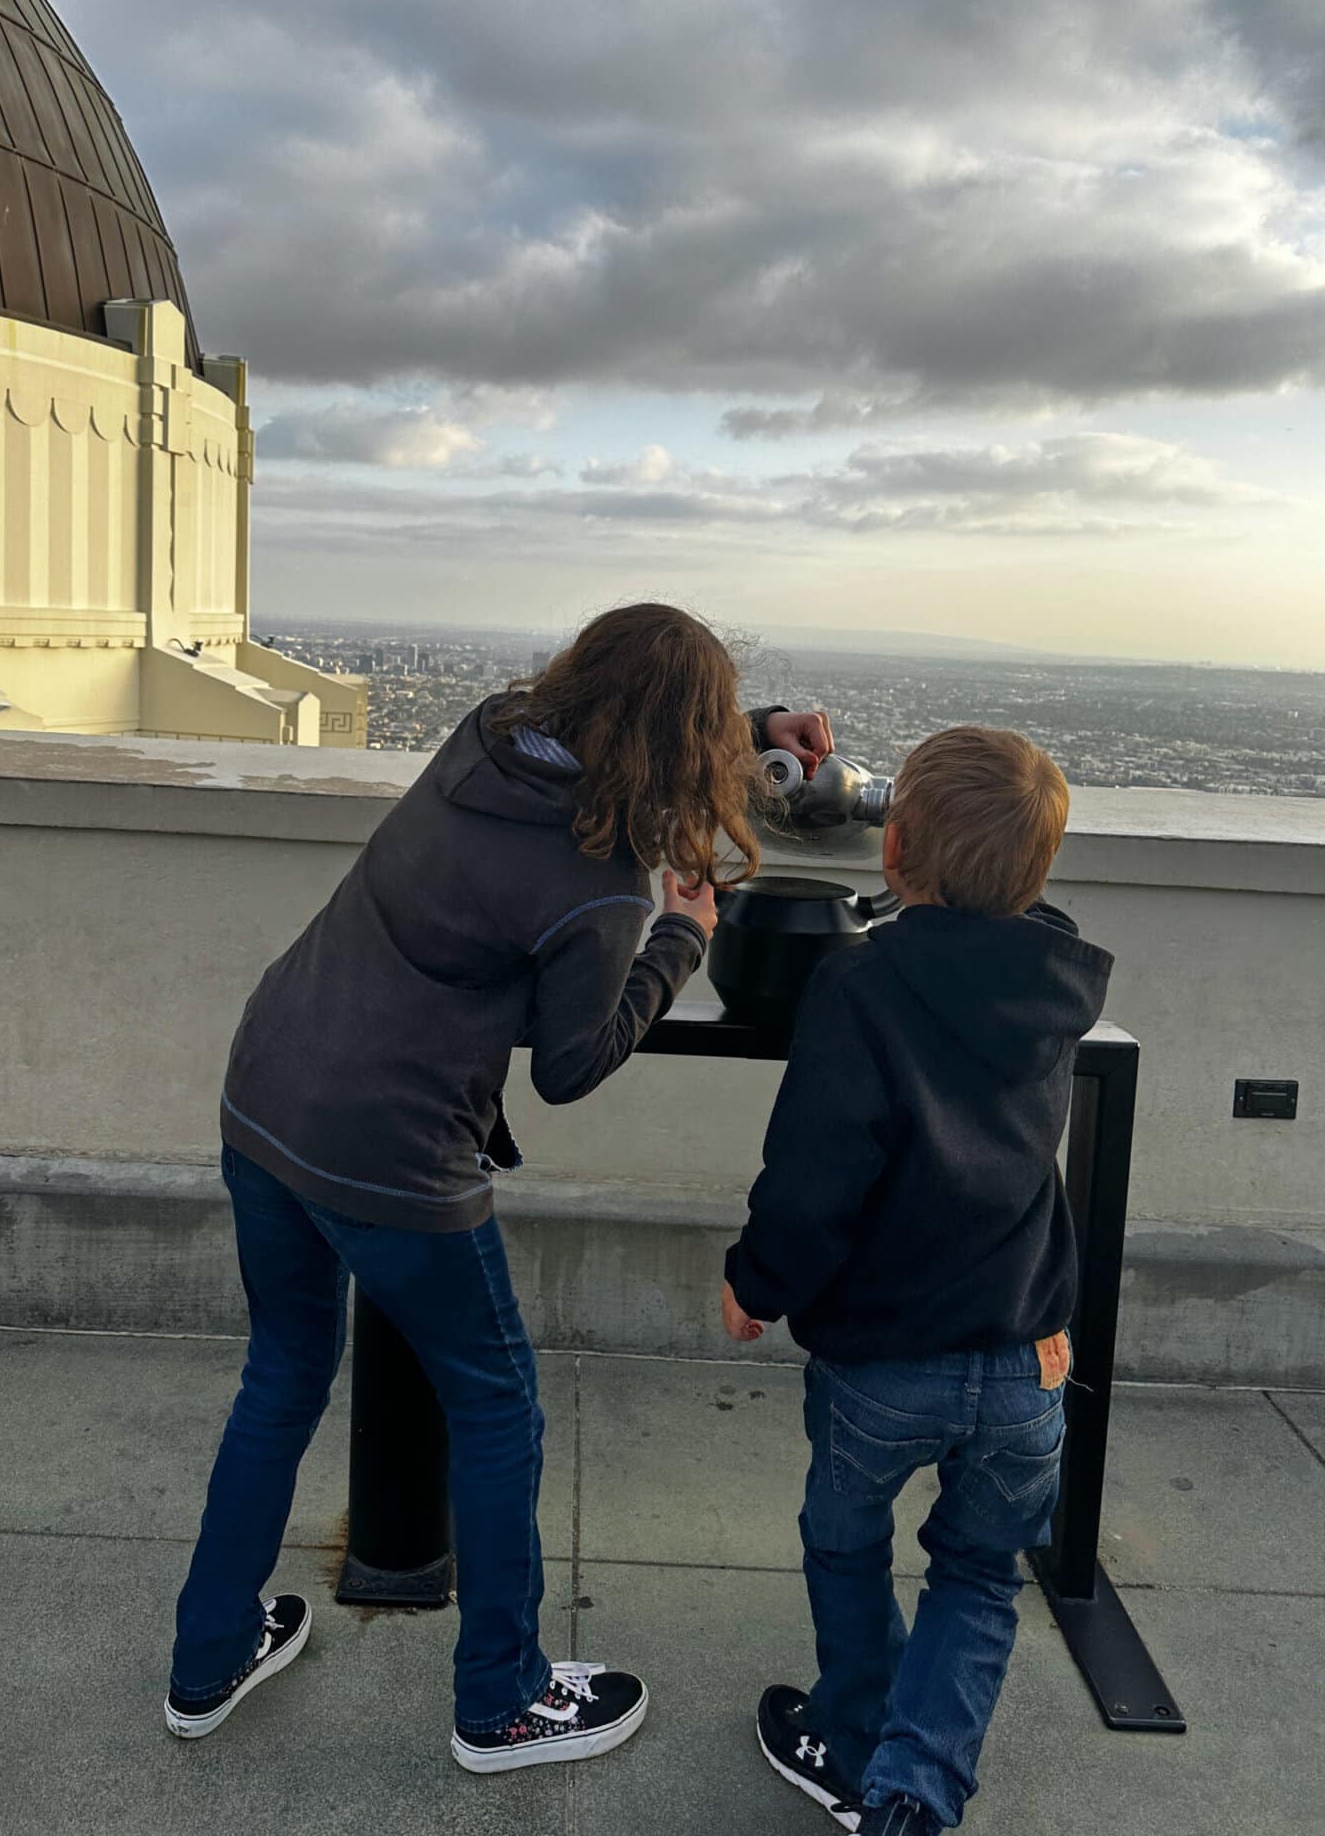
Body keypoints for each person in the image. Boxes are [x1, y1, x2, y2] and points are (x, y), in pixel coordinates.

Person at [165, 603, 824, 1772]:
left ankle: (208, 1654)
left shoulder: (486, 738)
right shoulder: (604, 885)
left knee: (281, 1375)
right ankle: (503, 1698)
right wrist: (679, 940)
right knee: (499, 1404)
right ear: (683, 736)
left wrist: (750, 727)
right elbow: (572, 1065)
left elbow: (613, 728)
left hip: (268, 1083)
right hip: (393, 1153)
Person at [722, 725, 1114, 1834]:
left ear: (892, 850)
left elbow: (814, 1176)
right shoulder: (1058, 983)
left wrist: (759, 1280)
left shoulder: (860, 985)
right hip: (1029, 1349)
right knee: (980, 1575)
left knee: (846, 1540)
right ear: (1039, 874)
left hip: (883, 1359)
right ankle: (911, 1796)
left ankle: (855, 1735)